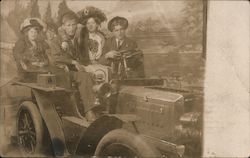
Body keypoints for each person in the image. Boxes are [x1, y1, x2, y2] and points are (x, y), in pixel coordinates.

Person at [49, 11, 98, 122]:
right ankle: (89, 111)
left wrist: (89, 64)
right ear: (63, 27)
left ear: (77, 25)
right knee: (84, 77)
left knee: (94, 74)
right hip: (61, 72)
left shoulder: (75, 41)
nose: (71, 28)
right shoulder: (56, 41)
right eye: (68, 25)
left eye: (74, 25)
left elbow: (81, 58)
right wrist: (73, 62)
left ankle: (96, 106)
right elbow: (56, 58)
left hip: (73, 71)